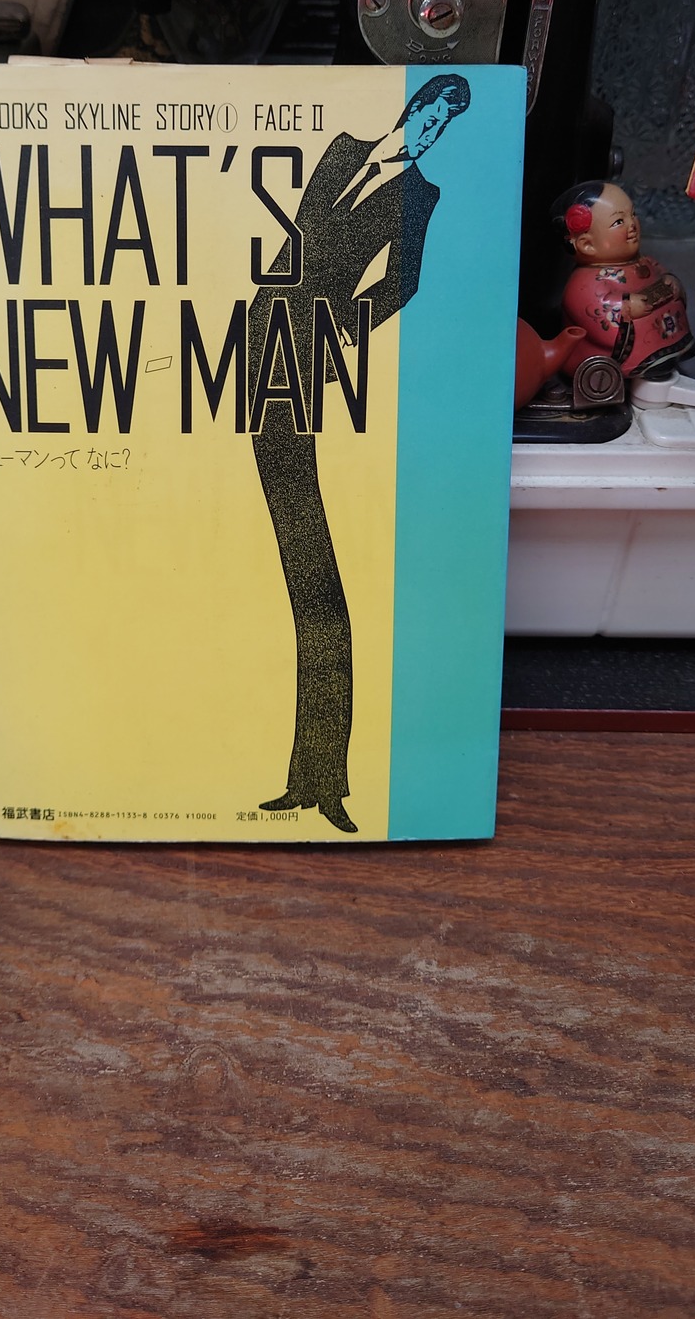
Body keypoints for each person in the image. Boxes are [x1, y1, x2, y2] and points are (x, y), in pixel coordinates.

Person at [249, 74, 471, 835]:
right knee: (293, 559)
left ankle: (322, 778)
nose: (433, 129)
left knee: (313, 567)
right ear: (410, 107)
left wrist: (346, 324)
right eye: (431, 111)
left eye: (445, 124)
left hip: (313, 363)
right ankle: (311, 777)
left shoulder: (421, 197)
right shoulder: (341, 151)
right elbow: (298, 238)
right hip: (261, 343)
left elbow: (404, 280)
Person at [551, 181, 695, 379]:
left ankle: (671, 351)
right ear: (587, 245)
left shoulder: (643, 260)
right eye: (619, 221)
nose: (632, 224)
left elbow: (660, 273)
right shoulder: (582, 284)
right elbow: (599, 314)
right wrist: (626, 305)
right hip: (603, 356)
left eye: (633, 214)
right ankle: (645, 362)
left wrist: (671, 281)